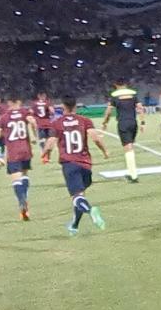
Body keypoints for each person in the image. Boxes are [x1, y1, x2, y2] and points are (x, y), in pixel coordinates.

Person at [43, 95, 110, 236]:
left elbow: (50, 143)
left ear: (63, 107)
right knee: (80, 195)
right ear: (75, 106)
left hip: (69, 163)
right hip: (85, 164)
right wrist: (105, 151)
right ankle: (74, 225)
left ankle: (91, 211)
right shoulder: (85, 121)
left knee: (78, 197)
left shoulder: (57, 123)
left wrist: (45, 154)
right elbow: (95, 137)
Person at [0, 97, 38, 221]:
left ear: (8, 103)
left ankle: (21, 200)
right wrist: (34, 135)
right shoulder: (25, 112)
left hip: (13, 152)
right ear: (19, 102)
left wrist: (4, 132)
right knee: (25, 175)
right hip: (25, 150)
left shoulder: (4, 117)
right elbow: (33, 122)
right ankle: (25, 199)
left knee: (16, 179)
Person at [102, 79, 145, 182]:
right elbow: (140, 108)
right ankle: (132, 172)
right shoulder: (133, 93)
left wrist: (105, 122)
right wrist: (143, 122)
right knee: (131, 146)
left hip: (123, 123)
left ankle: (133, 175)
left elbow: (109, 111)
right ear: (125, 84)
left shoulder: (115, 95)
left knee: (128, 147)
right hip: (133, 122)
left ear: (115, 84)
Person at [31, 91, 55, 161]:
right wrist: (52, 115)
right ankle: (47, 156)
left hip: (39, 124)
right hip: (48, 123)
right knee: (49, 140)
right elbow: (52, 111)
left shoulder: (34, 103)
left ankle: (44, 155)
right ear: (44, 96)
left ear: (38, 96)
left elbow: (31, 111)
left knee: (42, 140)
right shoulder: (47, 102)